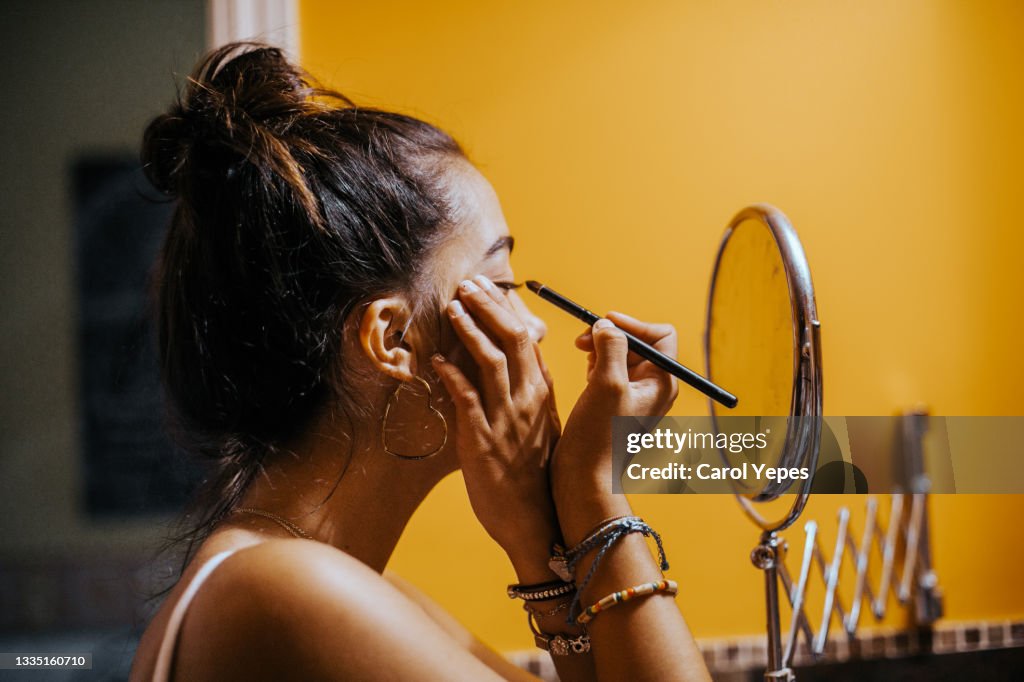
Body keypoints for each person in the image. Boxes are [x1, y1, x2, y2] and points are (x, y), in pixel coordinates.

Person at [128, 42, 711, 682]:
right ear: (394, 339)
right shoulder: (290, 590)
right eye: (503, 284)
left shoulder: (339, 585)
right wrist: (597, 495)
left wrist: (537, 540)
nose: (534, 325)